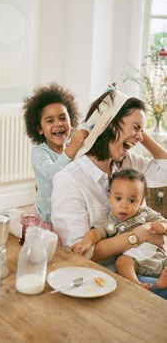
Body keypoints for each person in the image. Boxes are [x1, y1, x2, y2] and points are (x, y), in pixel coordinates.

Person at [51, 84, 167, 298]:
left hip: (147, 261)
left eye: (142, 130)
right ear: (110, 123)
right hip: (105, 276)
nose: (140, 137)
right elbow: (80, 254)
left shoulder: (127, 162)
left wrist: (139, 132)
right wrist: (137, 236)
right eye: (135, 127)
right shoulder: (70, 180)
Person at [71, 169, 167, 290]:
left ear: (141, 201)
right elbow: (94, 233)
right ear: (109, 197)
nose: (124, 205)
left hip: (158, 257)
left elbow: (165, 222)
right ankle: (137, 284)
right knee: (121, 262)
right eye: (118, 199)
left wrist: (163, 226)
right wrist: (85, 243)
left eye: (132, 200)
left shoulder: (145, 214)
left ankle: (162, 281)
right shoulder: (110, 222)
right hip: (134, 263)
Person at [23, 82, 88, 225]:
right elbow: (53, 173)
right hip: (47, 219)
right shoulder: (39, 152)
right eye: (50, 120)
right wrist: (73, 146)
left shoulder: (72, 151)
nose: (58, 124)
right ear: (39, 129)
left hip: (67, 215)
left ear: (71, 121)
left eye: (63, 118)